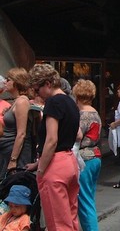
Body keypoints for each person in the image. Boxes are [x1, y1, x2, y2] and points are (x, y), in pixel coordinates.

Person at [28, 63, 81, 231]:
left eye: (37, 90)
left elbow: (51, 140)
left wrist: (41, 170)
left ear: (47, 84)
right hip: (69, 161)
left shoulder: (53, 102)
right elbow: (76, 135)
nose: (37, 94)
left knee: (58, 222)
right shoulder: (70, 102)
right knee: (71, 217)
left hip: (55, 165)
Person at [72, 79, 101, 231]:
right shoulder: (95, 112)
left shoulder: (82, 114)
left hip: (84, 159)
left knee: (84, 201)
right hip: (95, 156)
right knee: (89, 198)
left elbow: (77, 135)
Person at [0, 68, 38, 176]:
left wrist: (13, 160)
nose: (5, 82)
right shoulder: (16, 101)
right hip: (7, 151)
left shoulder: (22, 102)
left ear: (16, 82)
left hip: (16, 155)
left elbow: (21, 133)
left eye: (8, 79)